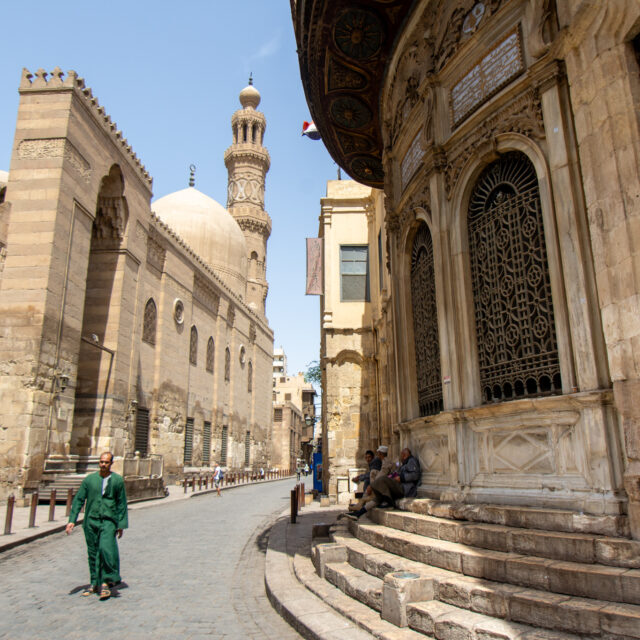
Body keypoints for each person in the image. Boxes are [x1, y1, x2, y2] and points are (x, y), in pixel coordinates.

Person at [65, 451, 128, 600]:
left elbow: (121, 503)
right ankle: (94, 583)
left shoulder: (117, 480)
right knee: (93, 553)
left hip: (108, 521)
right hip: (91, 521)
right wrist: (72, 520)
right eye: (101, 462)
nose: (103, 465)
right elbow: (79, 499)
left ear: (111, 464)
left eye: (106, 462)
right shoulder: (90, 480)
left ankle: (106, 582)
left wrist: (121, 524)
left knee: (106, 549)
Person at [346, 447, 421, 520]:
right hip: (398, 487)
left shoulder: (411, 461)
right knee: (378, 499)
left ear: (404, 455)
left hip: (405, 488)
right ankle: (359, 513)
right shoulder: (404, 464)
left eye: (401, 455)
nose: (401, 457)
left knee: (383, 479)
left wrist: (401, 478)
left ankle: (389, 503)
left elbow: (415, 475)